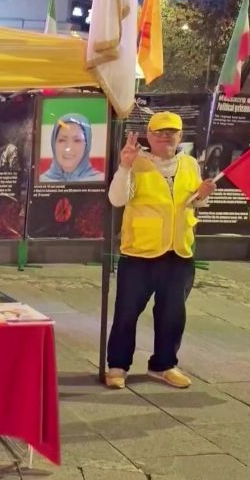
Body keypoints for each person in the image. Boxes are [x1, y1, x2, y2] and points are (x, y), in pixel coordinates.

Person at [104, 111, 216, 390]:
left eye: (171, 132)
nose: (165, 137)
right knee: (127, 312)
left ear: (180, 136)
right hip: (140, 254)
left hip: (179, 253)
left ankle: (164, 365)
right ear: (148, 136)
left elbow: (189, 202)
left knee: (173, 314)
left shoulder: (189, 164)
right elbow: (117, 199)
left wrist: (201, 196)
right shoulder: (136, 162)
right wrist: (125, 166)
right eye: (159, 132)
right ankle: (118, 365)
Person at [40, 113, 104, 182]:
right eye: (62, 140)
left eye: (77, 140)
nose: (68, 148)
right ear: (53, 144)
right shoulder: (40, 181)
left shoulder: (101, 180)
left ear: (87, 145)